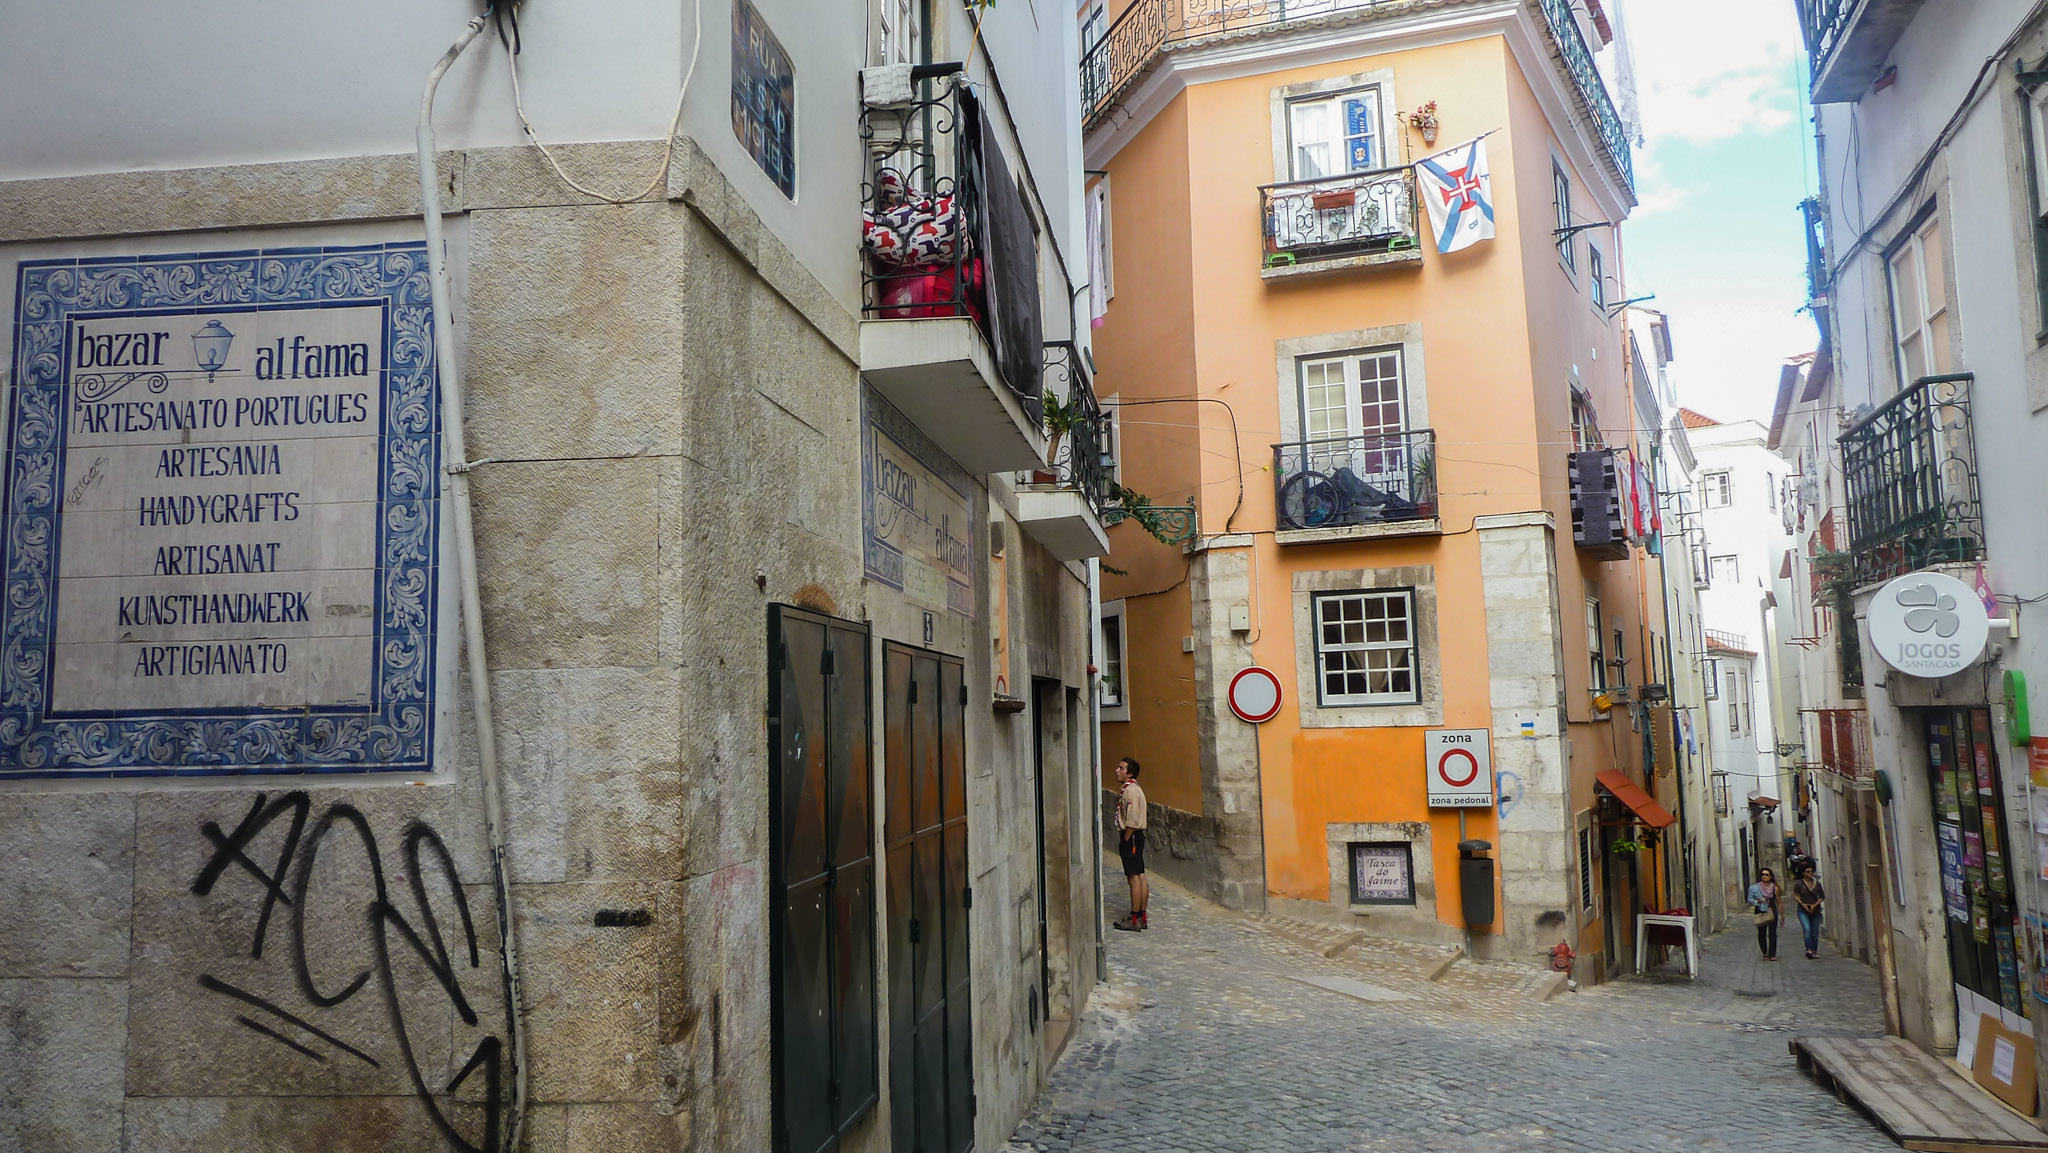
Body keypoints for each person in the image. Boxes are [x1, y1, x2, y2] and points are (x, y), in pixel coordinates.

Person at [1112, 757, 1148, 931]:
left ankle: (1135, 918)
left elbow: (1132, 820)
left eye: (1121, 768)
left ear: (1130, 773)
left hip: (1131, 836)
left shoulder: (1130, 791)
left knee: (1134, 877)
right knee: (1140, 875)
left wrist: (1126, 838)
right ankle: (1141, 916)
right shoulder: (1133, 788)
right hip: (1136, 836)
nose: (1117, 770)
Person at [1793, 863, 1827, 959]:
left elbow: (1822, 897)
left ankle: (1814, 950)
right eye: (1808, 871)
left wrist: (1814, 905)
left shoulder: (1817, 884)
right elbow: (1796, 895)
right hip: (1802, 910)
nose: (1810, 873)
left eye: (1812, 871)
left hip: (1815, 909)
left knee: (1815, 931)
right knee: (1807, 929)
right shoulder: (1799, 884)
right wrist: (1803, 904)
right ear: (1803, 873)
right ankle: (1809, 949)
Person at [1747, 867, 1781, 961]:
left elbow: (1779, 902)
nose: (1764, 876)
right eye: (1762, 874)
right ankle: (1764, 952)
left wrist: (1782, 915)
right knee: (1761, 932)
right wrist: (1757, 902)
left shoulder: (1775, 888)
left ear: (1770, 876)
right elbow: (1749, 900)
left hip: (1771, 909)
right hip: (1760, 910)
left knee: (1772, 932)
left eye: (1766, 874)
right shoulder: (1755, 888)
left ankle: (1772, 954)